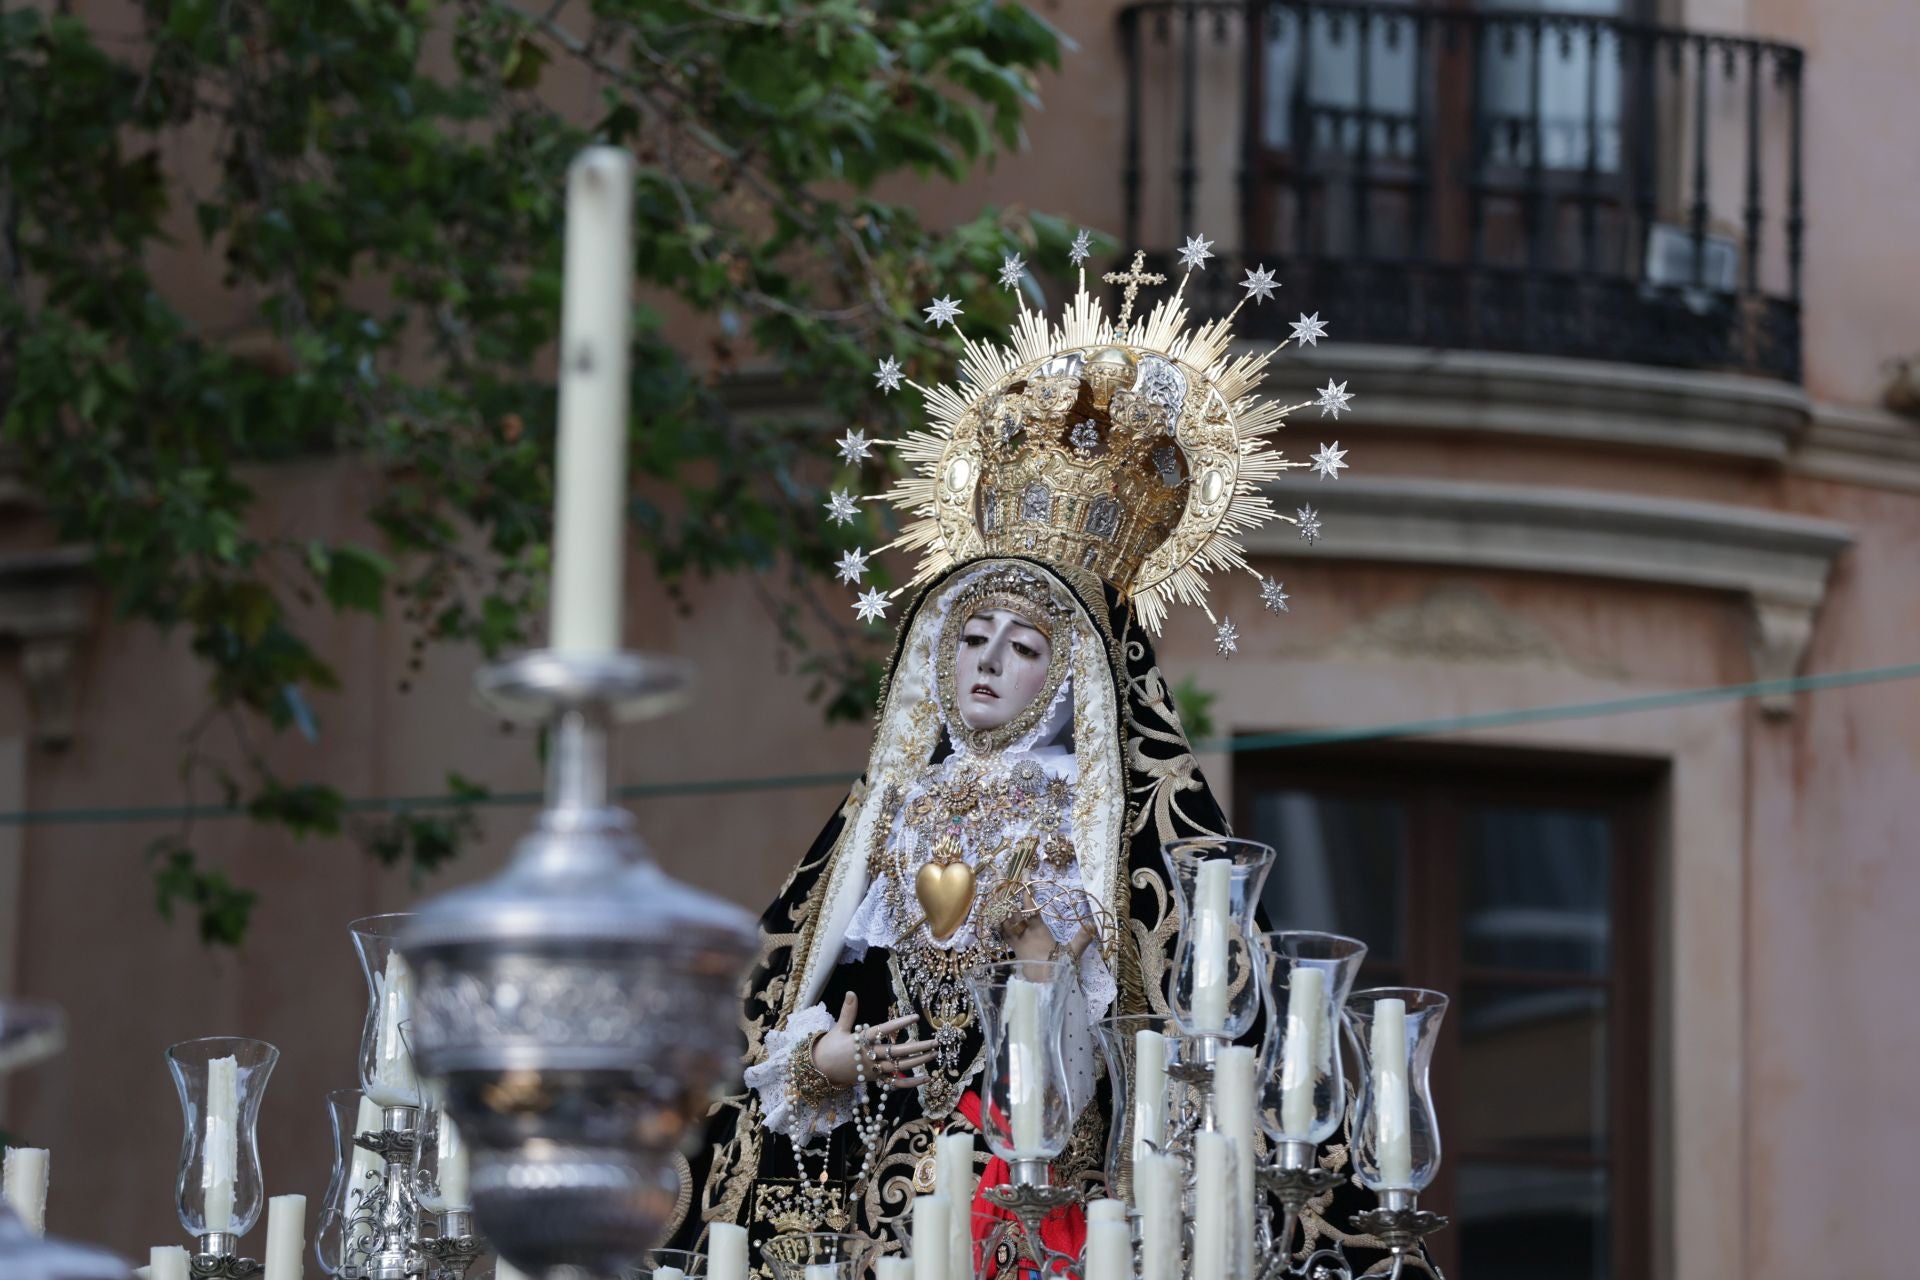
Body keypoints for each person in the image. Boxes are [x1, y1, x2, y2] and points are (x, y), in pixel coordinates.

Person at [671, 262, 1339, 1273]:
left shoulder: (1104, 827)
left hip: (1025, 1197)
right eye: (971, 634)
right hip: (864, 1205)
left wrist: (1047, 966)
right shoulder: (886, 820)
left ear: (1071, 678)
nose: (987, 659)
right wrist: (820, 1059)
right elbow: (793, 1004)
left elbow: (1143, 1046)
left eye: (1023, 645)